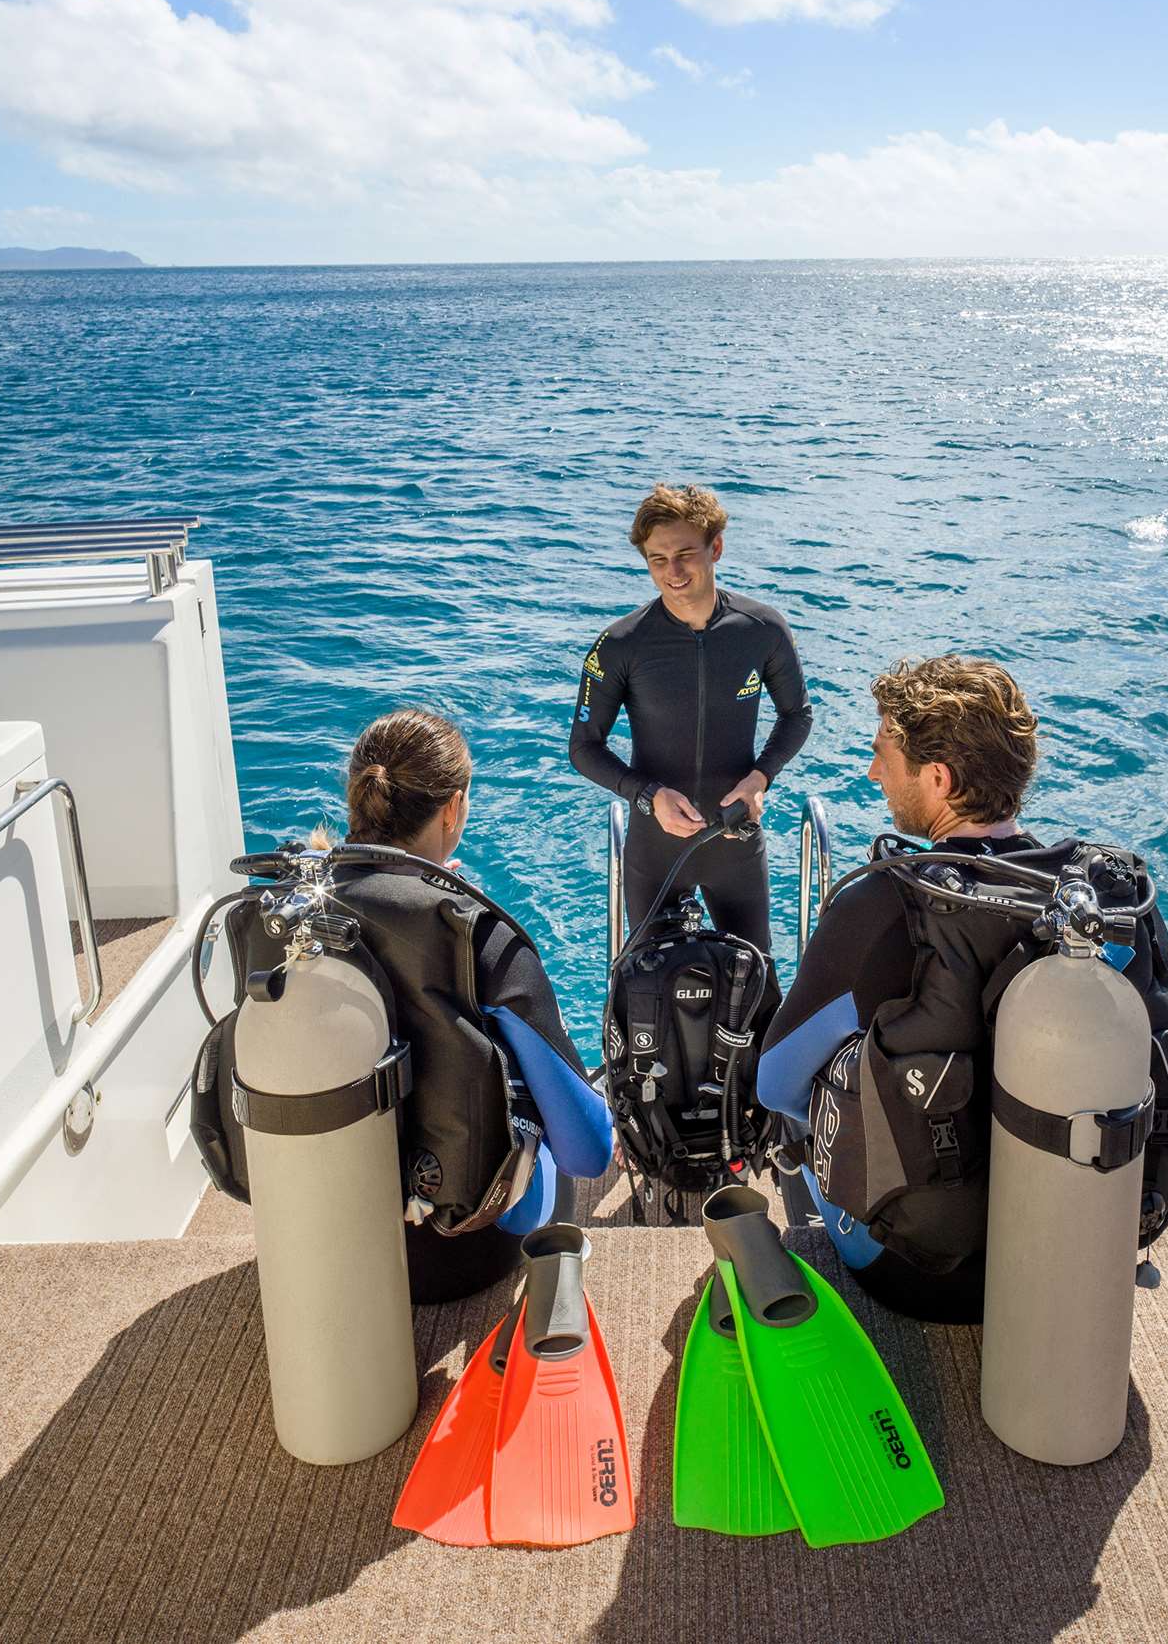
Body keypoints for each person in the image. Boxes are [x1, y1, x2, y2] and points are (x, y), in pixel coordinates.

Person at [756, 656, 1168, 1322]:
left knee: (803, 1115)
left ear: (937, 779)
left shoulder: (882, 903)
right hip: (1081, 1255)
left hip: (929, 1279)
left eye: (884, 755)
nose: (873, 773)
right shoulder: (1105, 898)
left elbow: (774, 1085)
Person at [193, 708, 612, 1303]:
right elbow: (589, 1153)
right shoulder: (477, 935)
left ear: (357, 798)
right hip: (450, 1257)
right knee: (566, 1137)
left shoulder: (279, 915)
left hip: (317, 1243)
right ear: (453, 809)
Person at [569, 483, 812, 951]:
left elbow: (796, 715)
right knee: (646, 999)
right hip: (655, 851)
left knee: (757, 994)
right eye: (657, 560)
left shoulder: (762, 630)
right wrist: (648, 795)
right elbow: (583, 747)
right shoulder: (621, 643)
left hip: (736, 845)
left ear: (715, 547)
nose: (673, 572)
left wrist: (760, 778)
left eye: (685, 554)